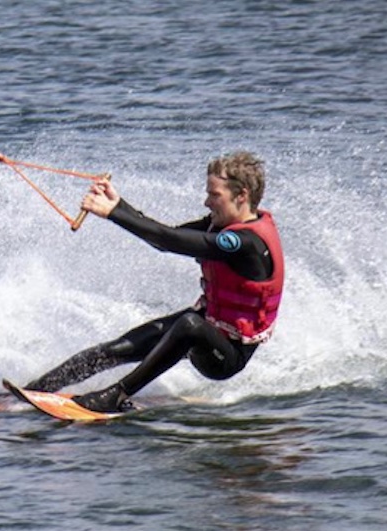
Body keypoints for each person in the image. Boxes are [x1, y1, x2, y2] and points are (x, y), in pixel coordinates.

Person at [23, 151, 285, 413]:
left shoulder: (246, 243)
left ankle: (114, 396)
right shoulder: (219, 225)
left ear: (242, 195)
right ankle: (35, 389)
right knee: (118, 348)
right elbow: (165, 238)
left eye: (214, 195)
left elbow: (167, 240)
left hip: (225, 355)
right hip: (206, 324)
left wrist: (114, 213)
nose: (206, 202)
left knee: (190, 324)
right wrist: (120, 205)